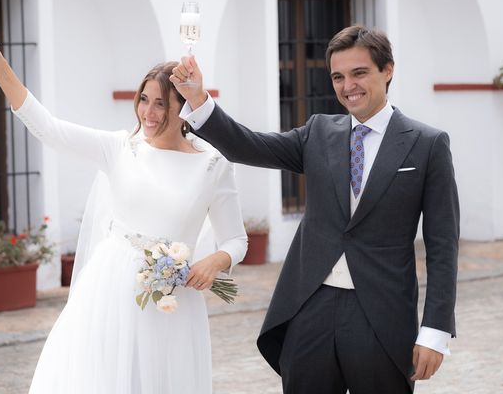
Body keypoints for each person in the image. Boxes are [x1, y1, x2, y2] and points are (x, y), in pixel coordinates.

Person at [171, 25, 459, 394]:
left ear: (387, 70)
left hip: (381, 315)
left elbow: (443, 246)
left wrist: (435, 331)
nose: (347, 86)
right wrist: (198, 99)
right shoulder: (319, 132)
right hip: (310, 308)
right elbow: (248, 146)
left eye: (359, 73)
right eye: (338, 76)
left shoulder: (427, 144)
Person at [0, 33, 248, 393]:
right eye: (143, 100)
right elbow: (49, 128)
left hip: (174, 302)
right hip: (110, 288)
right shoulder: (119, 148)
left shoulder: (213, 165)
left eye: (160, 103)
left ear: (182, 107)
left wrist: (216, 260)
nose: (148, 112)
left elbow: (236, 239)